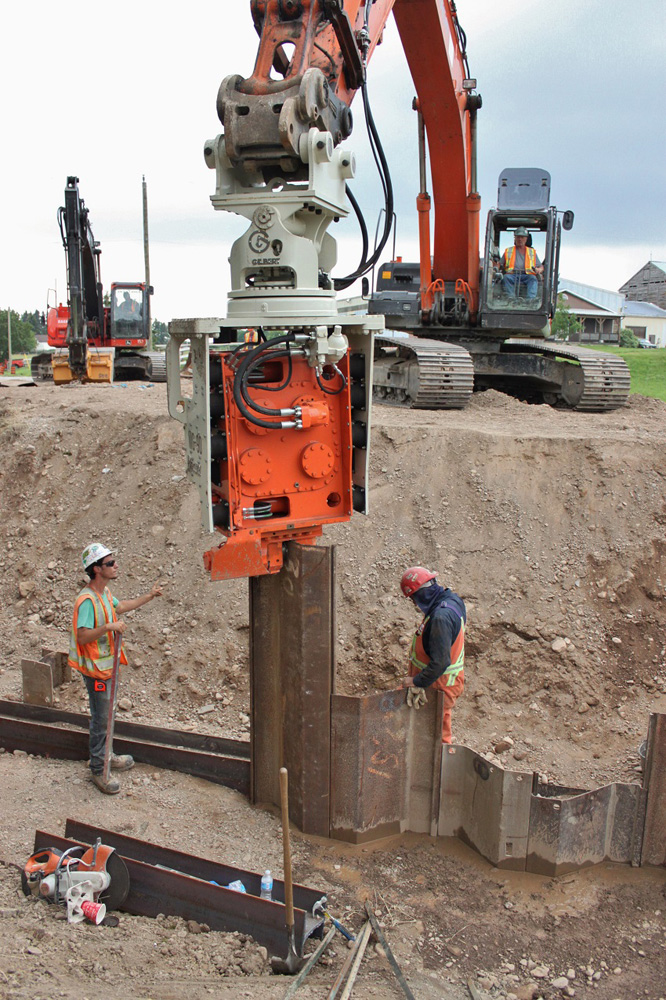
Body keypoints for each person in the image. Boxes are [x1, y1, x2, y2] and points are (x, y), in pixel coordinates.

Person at [68, 543, 163, 794]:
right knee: (101, 719)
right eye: (110, 563)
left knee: (107, 715)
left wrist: (149, 596)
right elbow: (83, 636)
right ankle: (99, 769)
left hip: (108, 668)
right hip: (96, 672)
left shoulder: (105, 595)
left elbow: (120, 607)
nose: (115, 565)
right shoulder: (87, 600)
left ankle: (106, 755)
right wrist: (109, 628)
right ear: (97, 569)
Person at [400, 566, 466, 744]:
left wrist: (416, 681)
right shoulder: (451, 601)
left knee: (437, 735)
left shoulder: (440, 618)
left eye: (413, 598)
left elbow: (441, 662)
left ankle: (440, 768)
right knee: (427, 729)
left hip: (439, 684)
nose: (414, 604)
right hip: (438, 681)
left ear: (421, 594)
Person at [499, 227, 544, 299]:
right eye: (518, 237)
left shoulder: (532, 252)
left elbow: (541, 267)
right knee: (506, 278)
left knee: (533, 279)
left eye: (522, 237)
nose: (520, 239)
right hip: (512, 275)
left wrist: (539, 270)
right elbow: (499, 264)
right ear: (515, 238)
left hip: (527, 275)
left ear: (526, 239)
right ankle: (511, 299)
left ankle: (530, 301)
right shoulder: (508, 251)